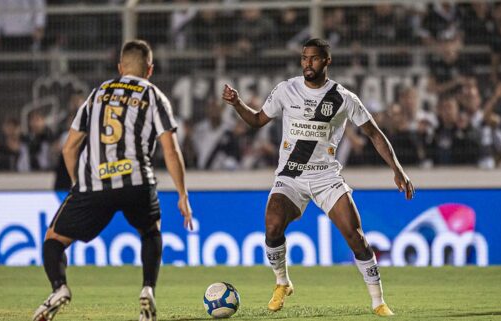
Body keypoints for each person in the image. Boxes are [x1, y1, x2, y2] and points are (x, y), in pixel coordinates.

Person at [222, 38, 414, 317]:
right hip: (291, 175)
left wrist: (397, 169)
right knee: (272, 224)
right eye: (304, 58)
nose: (307, 64)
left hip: (326, 177)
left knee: (355, 236)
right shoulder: (286, 90)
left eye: (313, 58)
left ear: (327, 61)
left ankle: (378, 301)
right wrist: (237, 103)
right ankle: (282, 282)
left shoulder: (343, 98)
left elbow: (374, 133)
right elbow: (257, 120)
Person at [32, 39, 193, 321]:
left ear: (120, 67)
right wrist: (182, 194)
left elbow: (69, 148)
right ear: (150, 69)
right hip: (137, 181)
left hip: (94, 184)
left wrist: (78, 185)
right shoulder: (153, 95)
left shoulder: (97, 94)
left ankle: (59, 288)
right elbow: (170, 148)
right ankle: (147, 290)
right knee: (150, 231)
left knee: (54, 239)